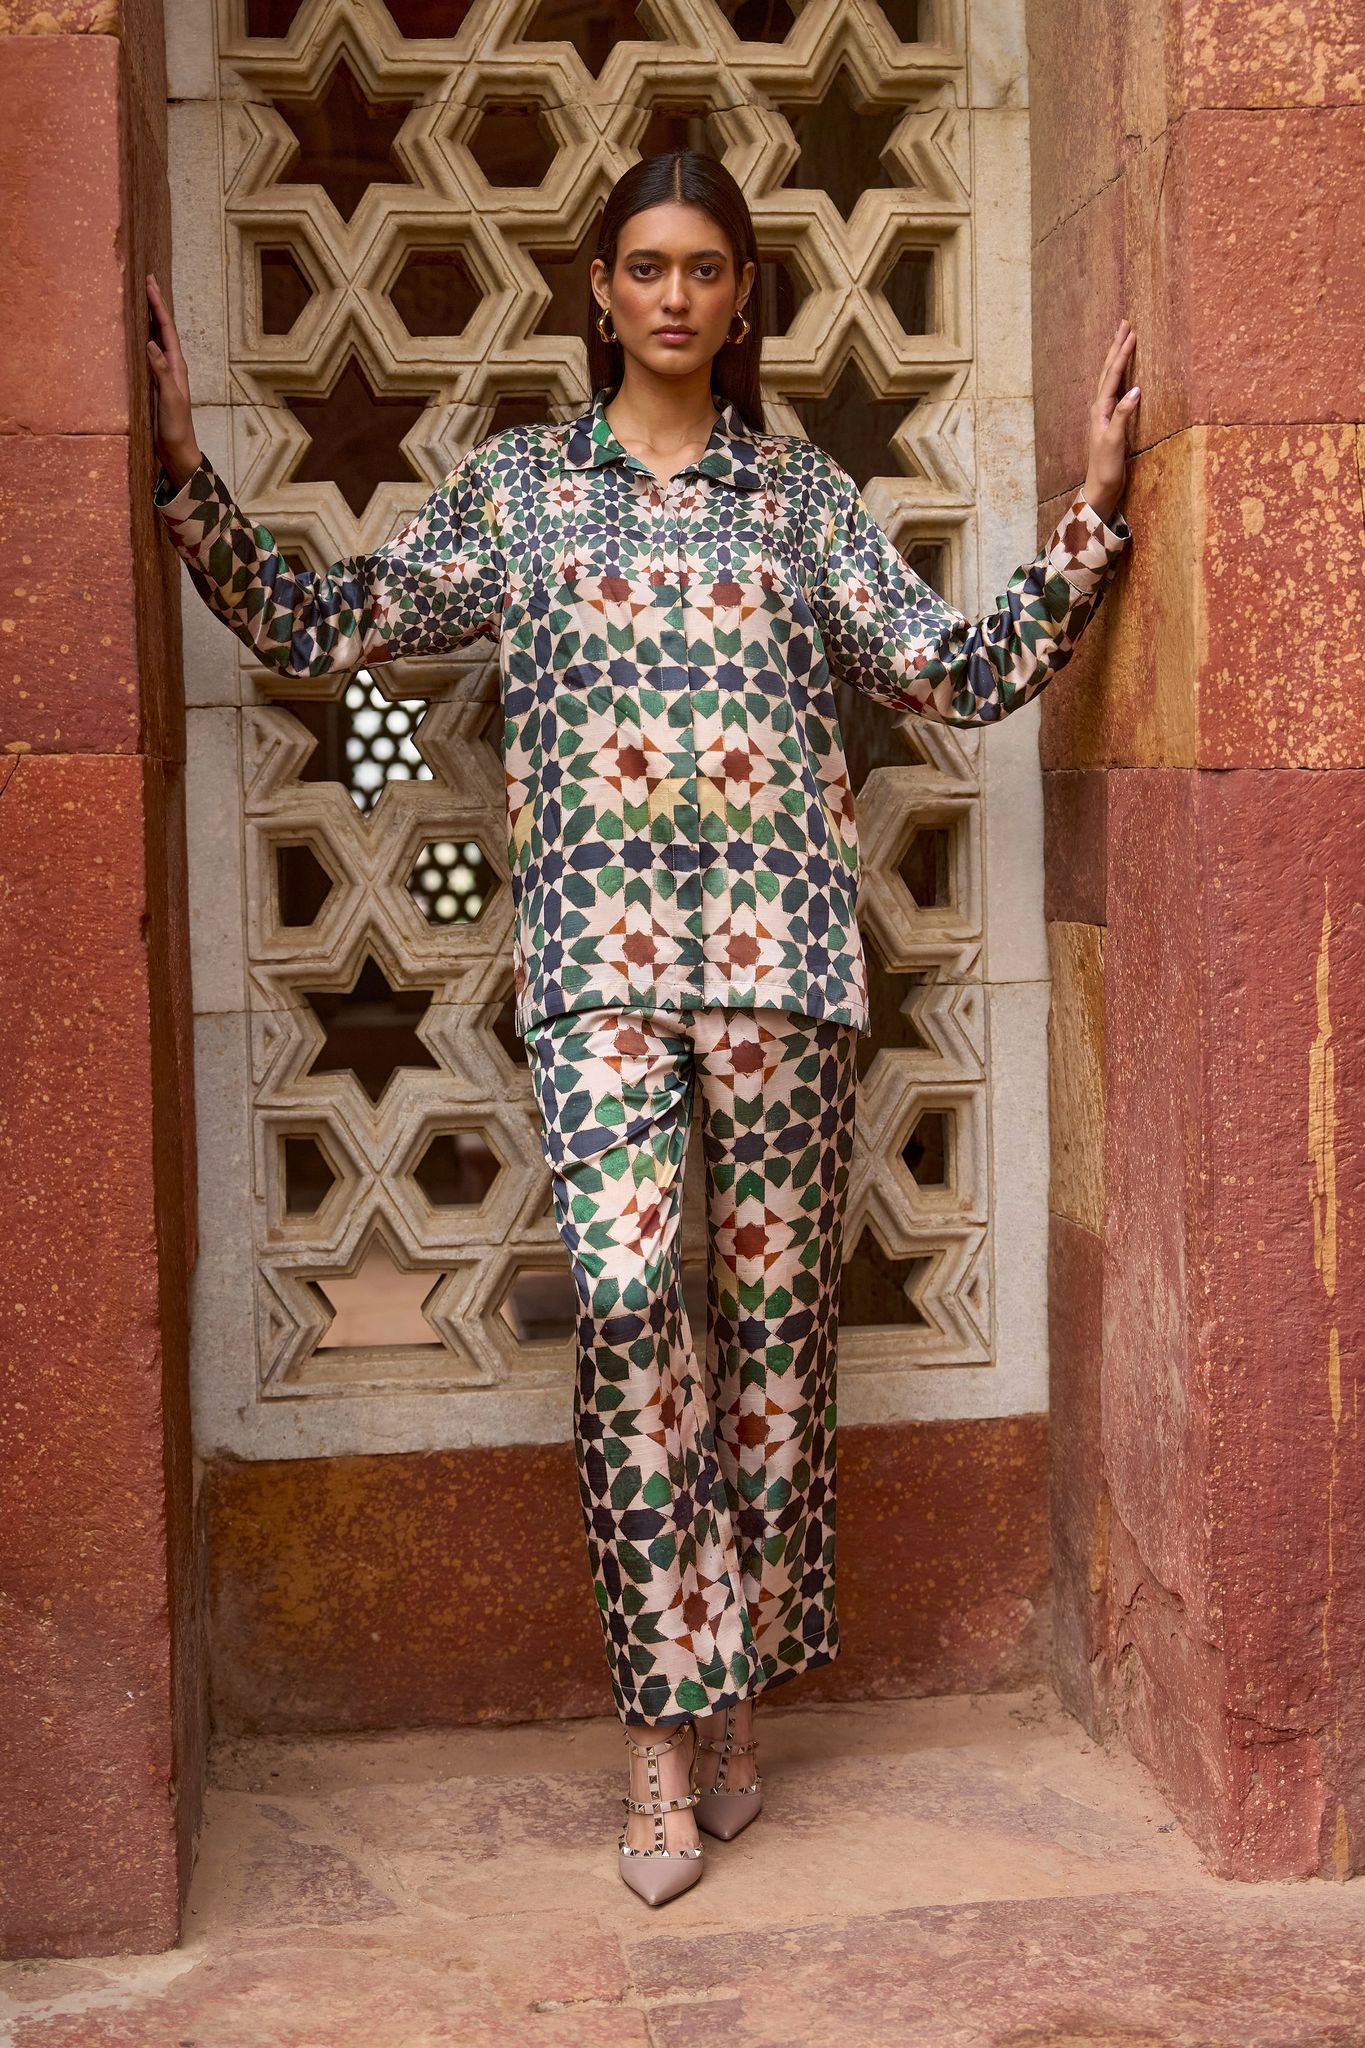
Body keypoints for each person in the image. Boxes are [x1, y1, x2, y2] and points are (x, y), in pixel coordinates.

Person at [146, 146, 1138, 1909]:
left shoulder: (796, 498)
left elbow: (952, 670)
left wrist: (1094, 518)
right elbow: (331, 620)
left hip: (785, 978)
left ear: (741, 298)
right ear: (598, 292)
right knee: (621, 1308)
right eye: (644, 265)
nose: (674, 293)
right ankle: (659, 1744)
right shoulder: (523, 491)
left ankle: (734, 1699)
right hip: (597, 975)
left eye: (703, 268)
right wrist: (179, 476)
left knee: (771, 1352)